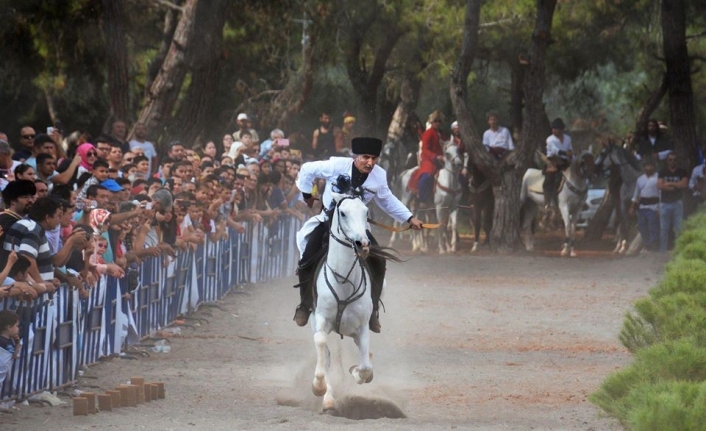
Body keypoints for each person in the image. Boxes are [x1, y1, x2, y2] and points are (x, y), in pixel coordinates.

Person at [293, 137, 423, 333]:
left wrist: (409, 218)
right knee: (306, 259)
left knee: (379, 262)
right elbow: (307, 169)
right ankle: (304, 305)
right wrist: (306, 195)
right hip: (330, 222)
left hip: (358, 228)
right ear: (355, 157)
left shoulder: (379, 176)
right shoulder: (336, 165)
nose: (370, 163)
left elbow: (387, 200)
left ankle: (372, 312)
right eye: (366, 157)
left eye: (374, 158)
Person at [408, 110, 444, 207]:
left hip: (441, 161)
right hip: (429, 160)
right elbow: (425, 150)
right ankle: (421, 199)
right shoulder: (428, 133)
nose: (438, 123)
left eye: (439, 121)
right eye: (436, 121)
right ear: (432, 122)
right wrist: (436, 156)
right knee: (427, 176)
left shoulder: (440, 133)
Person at [657, 152, 688, 252]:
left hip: (677, 203)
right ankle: (662, 250)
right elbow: (660, 185)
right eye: (670, 159)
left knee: (678, 228)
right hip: (664, 203)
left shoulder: (682, 172)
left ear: (677, 161)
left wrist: (669, 183)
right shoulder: (662, 172)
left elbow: (684, 184)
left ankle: (678, 250)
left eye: (674, 159)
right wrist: (674, 186)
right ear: (667, 161)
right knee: (664, 229)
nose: (672, 161)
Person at [543, 118, 573, 214]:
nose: (553, 131)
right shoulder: (550, 139)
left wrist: (572, 155)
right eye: (553, 129)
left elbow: (570, 149)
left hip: (565, 161)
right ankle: (548, 202)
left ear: (561, 129)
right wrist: (566, 153)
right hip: (553, 161)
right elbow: (555, 150)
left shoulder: (568, 138)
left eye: (556, 129)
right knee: (550, 180)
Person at [630, 159, 660, 252]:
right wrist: (632, 207)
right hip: (642, 207)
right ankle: (647, 246)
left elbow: (661, 194)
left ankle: (654, 247)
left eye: (651, 166)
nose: (649, 168)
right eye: (647, 166)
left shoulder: (658, 178)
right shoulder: (640, 179)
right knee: (642, 227)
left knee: (653, 227)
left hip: (653, 206)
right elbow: (636, 195)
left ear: (654, 167)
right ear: (644, 168)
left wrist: (659, 208)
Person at [0, 309, 20, 391]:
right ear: (9, 327)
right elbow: (14, 356)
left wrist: (17, 343)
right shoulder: (4, 342)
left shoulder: (9, 342)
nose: (18, 328)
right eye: (16, 326)